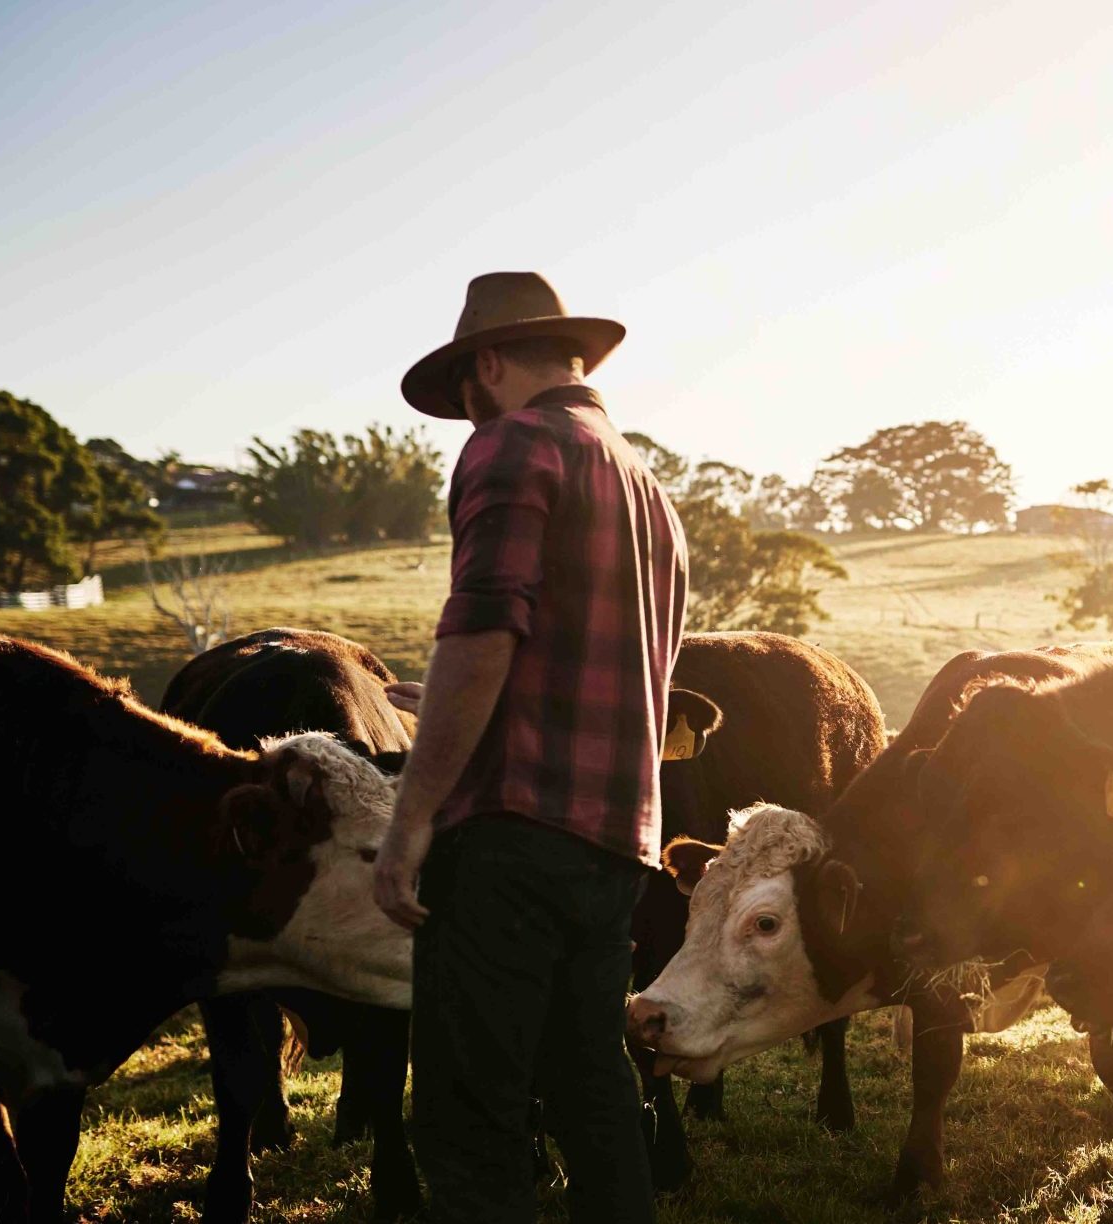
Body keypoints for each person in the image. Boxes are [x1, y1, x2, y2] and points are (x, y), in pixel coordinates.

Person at [374, 272, 685, 1224]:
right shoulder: (649, 489)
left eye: (468, 393)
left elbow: (484, 629)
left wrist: (410, 819)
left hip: (507, 837)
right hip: (611, 842)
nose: (467, 418)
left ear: (492, 362)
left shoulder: (512, 445)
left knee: (472, 1116)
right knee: (592, 1092)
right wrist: (466, 703)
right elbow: (603, 664)